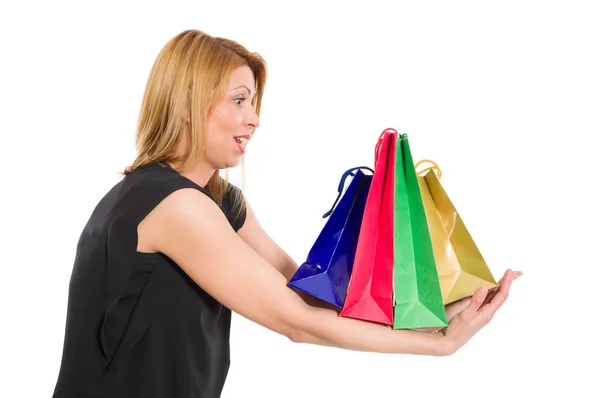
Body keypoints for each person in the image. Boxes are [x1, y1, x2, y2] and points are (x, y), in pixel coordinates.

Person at [52, 29, 522, 398]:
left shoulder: (221, 203)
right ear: (189, 105)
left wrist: (435, 316)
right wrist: (437, 345)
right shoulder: (172, 205)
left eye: (254, 102)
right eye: (239, 100)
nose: (254, 118)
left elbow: (308, 293)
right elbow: (294, 321)